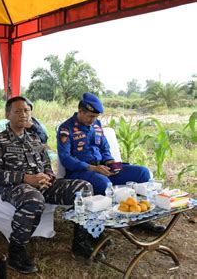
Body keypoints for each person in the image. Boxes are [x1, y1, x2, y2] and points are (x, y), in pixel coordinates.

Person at [0, 96, 94, 274]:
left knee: (84, 188)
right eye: (17, 111)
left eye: (26, 110)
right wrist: (26, 178)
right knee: (34, 198)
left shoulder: (35, 139)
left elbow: (46, 165)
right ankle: (16, 251)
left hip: (43, 185)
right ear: (8, 114)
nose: (23, 114)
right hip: (14, 187)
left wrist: (49, 177)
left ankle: (81, 241)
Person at [57, 92, 164, 234]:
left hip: (103, 168)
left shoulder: (96, 125)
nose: (93, 120)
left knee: (142, 173)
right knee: (104, 183)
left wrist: (111, 162)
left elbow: (104, 148)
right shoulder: (66, 128)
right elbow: (65, 158)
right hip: (81, 171)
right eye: (90, 116)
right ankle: (100, 226)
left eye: (96, 117)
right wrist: (93, 168)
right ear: (80, 111)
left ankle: (139, 218)